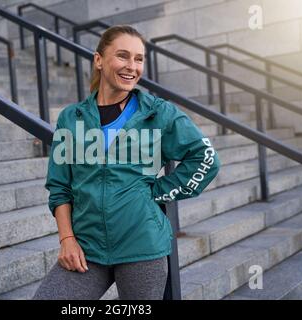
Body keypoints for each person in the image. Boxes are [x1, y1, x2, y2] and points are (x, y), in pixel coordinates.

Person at [33, 25, 221, 300]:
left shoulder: (158, 114)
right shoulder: (72, 118)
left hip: (141, 246)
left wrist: (155, 193)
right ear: (99, 60)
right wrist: (67, 240)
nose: (131, 66)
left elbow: (206, 158)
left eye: (139, 58)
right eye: (122, 56)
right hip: (87, 248)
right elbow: (60, 186)